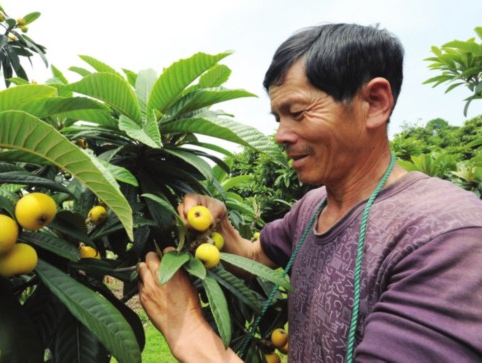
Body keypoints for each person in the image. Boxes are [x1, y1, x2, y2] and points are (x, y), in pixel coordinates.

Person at [137, 23, 482, 362]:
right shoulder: (313, 206)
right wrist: (221, 224)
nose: (280, 136)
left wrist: (186, 328)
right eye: (278, 118)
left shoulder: (449, 238)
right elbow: (254, 257)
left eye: (297, 113)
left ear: (375, 103)